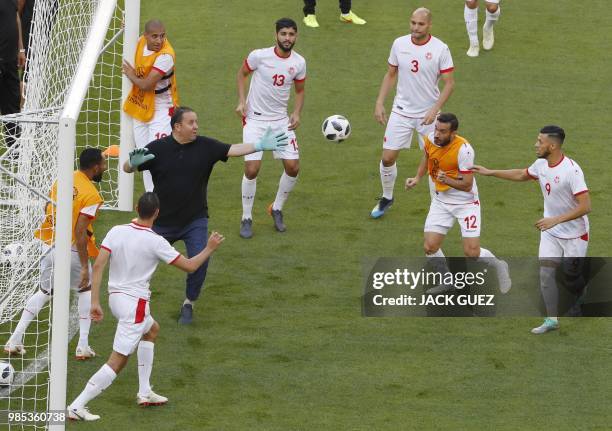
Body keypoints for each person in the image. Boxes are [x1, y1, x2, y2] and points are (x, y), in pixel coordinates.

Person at [67, 192, 225, 421]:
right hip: (135, 306)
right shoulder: (156, 241)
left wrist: (95, 302)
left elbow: (99, 265)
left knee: (151, 330)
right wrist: (209, 247)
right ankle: (76, 405)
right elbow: (190, 266)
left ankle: (144, 392)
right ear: (157, 213)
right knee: (118, 360)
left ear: (136, 207)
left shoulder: (116, 231)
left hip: (116, 299)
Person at [123, 106, 288, 324]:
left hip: (195, 220)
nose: (196, 127)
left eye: (196, 122)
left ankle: (189, 303)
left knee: (199, 262)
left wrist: (259, 146)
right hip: (161, 221)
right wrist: (130, 164)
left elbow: (232, 149)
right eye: (191, 123)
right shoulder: (158, 148)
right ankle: (132, 300)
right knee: (140, 260)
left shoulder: (206, 146)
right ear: (177, 127)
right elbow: (128, 167)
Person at [472, 125, 591, 334]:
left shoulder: (572, 171)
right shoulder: (541, 164)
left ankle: (581, 291)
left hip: (574, 234)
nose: (535, 144)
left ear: (552, 146)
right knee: (546, 275)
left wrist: (556, 219)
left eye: (540, 141)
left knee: (572, 278)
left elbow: (585, 206)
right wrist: (490, 172)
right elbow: (522, 174)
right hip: (551, 231)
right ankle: (551, 320)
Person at [4, 148, 107, 359]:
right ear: (95, 167)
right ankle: (83, 346)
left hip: (47, 243)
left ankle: (14, 339)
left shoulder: (64, 179)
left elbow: (46, 207)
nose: (105, 167)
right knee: (85, 290)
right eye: (104, 164)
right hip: (69, 249)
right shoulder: (92, 195)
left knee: (45, 291)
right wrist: (83, 265)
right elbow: (79, 233)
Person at [405, 113, 511, 294]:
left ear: (453, 133)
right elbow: (427, 157)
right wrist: (417, 177)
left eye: (443, 131)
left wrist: (446, 180)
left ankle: (500, 265)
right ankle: (447, 280)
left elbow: (467, 185)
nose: (437, 134)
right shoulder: (431, 138)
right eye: (436, 129)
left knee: (472, 253)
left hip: (466, 204)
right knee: (430, 247)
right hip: (441, 201)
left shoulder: (464, 150)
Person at [371, 7, 455, 219]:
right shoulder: (399, 44)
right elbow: (391, 74)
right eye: (413, 23)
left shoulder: (440, 49)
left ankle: (436, 207)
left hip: (429, 116)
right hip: (401, 112)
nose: (415, 28)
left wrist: (434, 109)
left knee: (435, 160)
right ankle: (387, 197)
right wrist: (380, 102)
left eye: (420, 24)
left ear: (429, 26)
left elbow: (449, 84)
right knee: (388, 158)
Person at [235, 17, 306, 239]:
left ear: (296, 36)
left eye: (291, 34)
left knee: (293, 167)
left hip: (280, 122)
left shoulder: (299, 63)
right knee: (252, 169)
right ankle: (246, 217)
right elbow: (242, 74)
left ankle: (276, 208)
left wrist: (296, 113)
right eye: (284, 34)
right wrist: (241, 100)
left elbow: (300, 90)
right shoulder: (259, 56)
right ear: (276, 35)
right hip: (255, 120)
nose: (287, 38)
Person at [123, 19, 179, 192]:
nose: (159, 40)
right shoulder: (140, 41)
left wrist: (131, 75)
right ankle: (151, 198)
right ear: (145, 35)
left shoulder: (165, 56)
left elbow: (146, 84)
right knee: (143, 158)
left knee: (158, 156)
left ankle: (163, 200)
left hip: (162, 111)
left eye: (162, 36)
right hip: (142, 108)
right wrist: (126, 27)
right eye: (154, 36)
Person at [0, 0, 25, 149]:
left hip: (10, 60)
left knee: (13, 104)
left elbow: (16, 17)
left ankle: (15, 150)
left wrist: (20, 49)